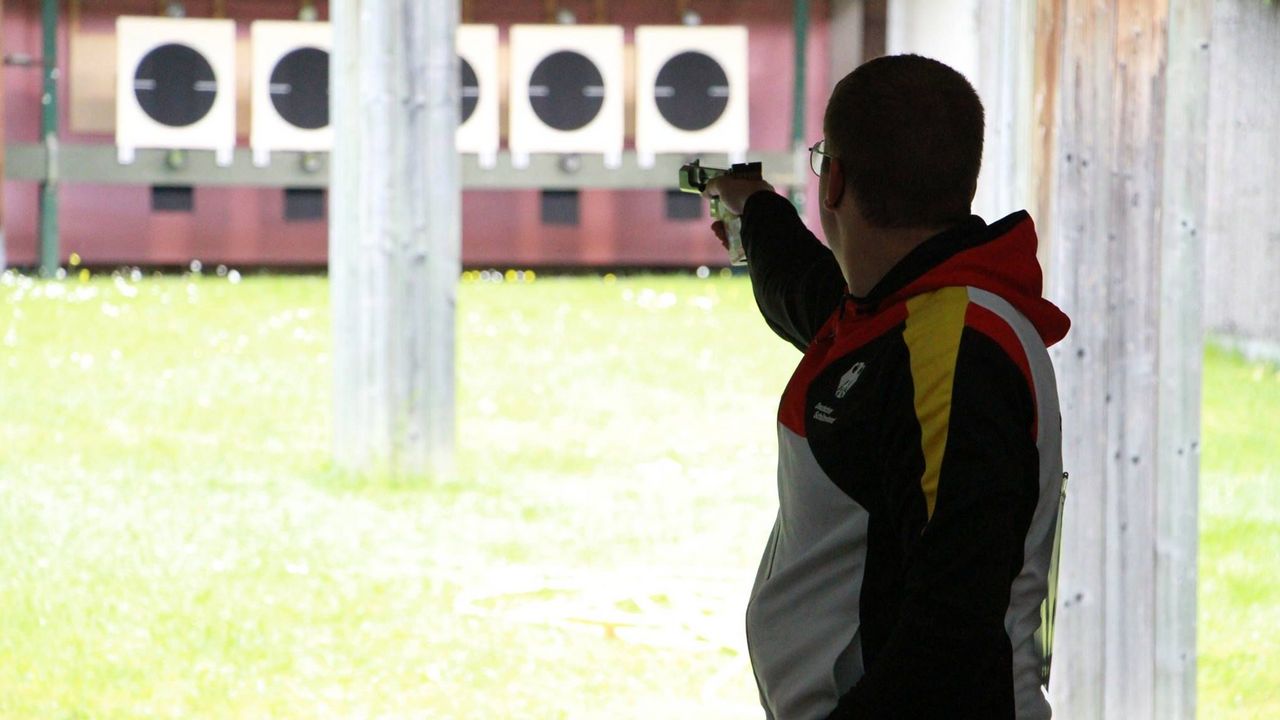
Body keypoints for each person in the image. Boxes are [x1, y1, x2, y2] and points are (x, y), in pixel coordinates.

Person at [704, 54, 1071, 719]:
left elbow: (949, 638)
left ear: (835, 181)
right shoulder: (911, 315)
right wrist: (755, 210)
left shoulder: (957, 353)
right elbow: (807, 293)